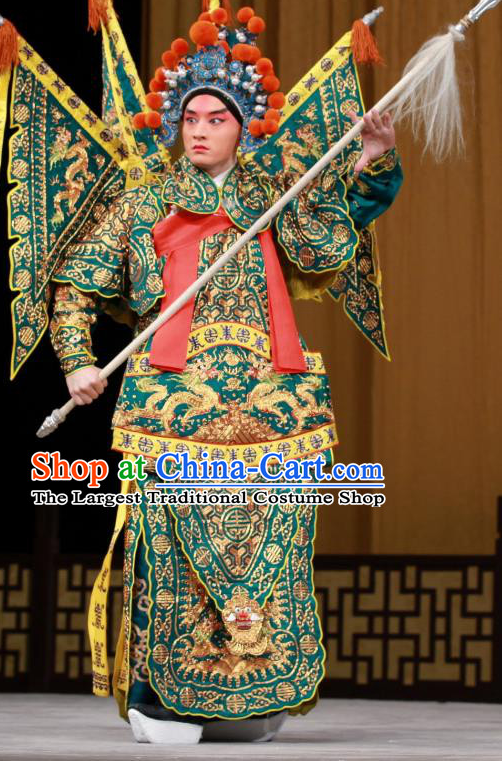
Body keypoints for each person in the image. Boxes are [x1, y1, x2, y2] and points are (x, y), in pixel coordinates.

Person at [49, 51, 402, 741]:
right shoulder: (146, 200)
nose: (200, 130)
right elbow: (75, 286)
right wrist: (76, 364)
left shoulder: (272, 196)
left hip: (272, 408)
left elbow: (331, 238)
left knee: (264, 556)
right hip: (172, 408)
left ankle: (246, 698)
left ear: (243, 128)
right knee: (168, 555)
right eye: (189, 117)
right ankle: (161, 700)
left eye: (217, 118)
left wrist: (371, 155)